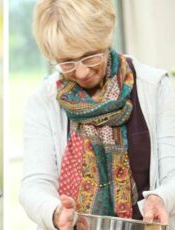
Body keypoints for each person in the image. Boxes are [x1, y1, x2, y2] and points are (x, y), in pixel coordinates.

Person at [19, 0, 175, 229]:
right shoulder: (42, 101)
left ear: (106, 37)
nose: (81, 72)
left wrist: (161, 198)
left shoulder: (155, 88)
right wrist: (54, 212)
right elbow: (34, 185)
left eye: (90, 56)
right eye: (67, 62)